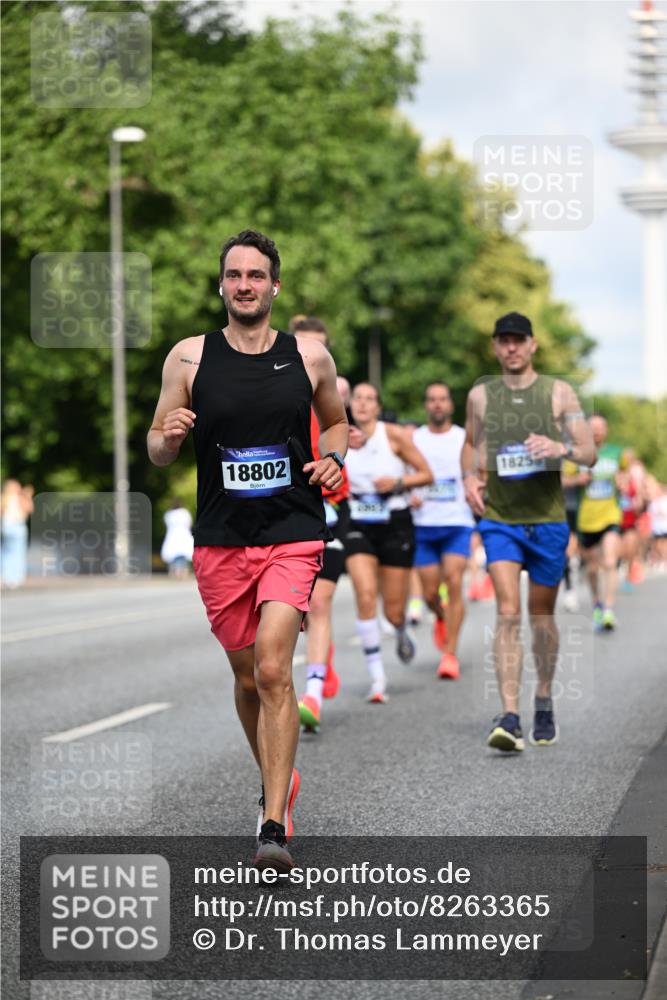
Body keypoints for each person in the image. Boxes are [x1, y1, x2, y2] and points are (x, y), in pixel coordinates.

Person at [147, 230, 348, 871]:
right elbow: (155, 444)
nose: (244, 285)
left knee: (271, 669)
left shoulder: (309, 357)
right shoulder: (188, 359)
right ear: (221, 286)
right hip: (221, 541)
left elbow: (337, 422)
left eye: (255, 275)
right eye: (233, 275)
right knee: (244, 679)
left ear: (274, 285)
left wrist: (334, 458)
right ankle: (278, 774)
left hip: (292, 532)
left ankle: (273, 820)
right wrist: (168, 435)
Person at [462, 311, 595, 751]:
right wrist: (469, 477)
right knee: (506, 612)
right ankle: (511, 716)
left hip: (547, 523)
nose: (512, 347)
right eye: (504, 340)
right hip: (500, 519)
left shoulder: (558, 392)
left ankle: (542, 698)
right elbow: (470, 443)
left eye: (519, 340)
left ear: (533, 345)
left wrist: (561, 447)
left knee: (541, 618)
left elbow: (590, 452)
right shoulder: (481, 395)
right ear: (495, 346)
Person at [343, 382, 433, 703]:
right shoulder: (339, 436)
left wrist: (396, 483)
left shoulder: (393, 435)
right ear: (351, 404)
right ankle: (377, 677)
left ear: (378, 407)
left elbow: (426, 474)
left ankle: (400, 629)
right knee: (365, 593)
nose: (363, 404)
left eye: (370, 399)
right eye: (358, 398)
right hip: (358, 523)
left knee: (394, 611)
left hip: (395, 522)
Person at [286, 316, 350, 734]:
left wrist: (346, 450)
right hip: (283, 509)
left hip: (328, 506)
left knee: (320, 603)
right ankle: (313, 668)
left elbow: (345, 429)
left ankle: (310, 694)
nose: (312, 357)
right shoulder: (271, 385)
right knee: (292, 611)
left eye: (320, 348)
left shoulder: (336, 393)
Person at [410, 382, 474, 679]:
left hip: (456, 521)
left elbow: (477, 473)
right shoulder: (415, 439)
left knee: (454, 579)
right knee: (429, 594)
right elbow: (404, 472)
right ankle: (440, 615)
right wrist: (408, 493)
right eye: (432, 399)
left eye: (442, 399)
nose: (437, 404)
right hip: (423, 524)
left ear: (450, 404)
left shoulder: (464, 438)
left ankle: (450, 653)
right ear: (426, 405)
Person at [574, 416, 627, 631]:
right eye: (591, 428)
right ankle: (597, 601)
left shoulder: (616, 453)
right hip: (586, 520)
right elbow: (561, 479)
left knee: (610, 561)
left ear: (606, 430)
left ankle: (608, 610)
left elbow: (623, 474)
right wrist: (577, 480)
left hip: (610, 516)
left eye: (599, 428)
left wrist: (623, 482)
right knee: (593, 569)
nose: (596, 432)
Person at [1, 480, 34, 588]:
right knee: (15, 552)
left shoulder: (6, 498)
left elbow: (29, 509)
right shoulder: (11, 498)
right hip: (13, 526)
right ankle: (12, 578)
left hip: (12, 527)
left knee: (9, 552)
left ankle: (9, 577)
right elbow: (30, 509)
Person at [160, 500, 194, 578]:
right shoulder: (184, 513)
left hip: (172, 536)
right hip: (183, 535)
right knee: (183, 556)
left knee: (173, 556)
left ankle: (174, 572)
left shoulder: (169, 514)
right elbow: (189, 524)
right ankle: (184, 572)